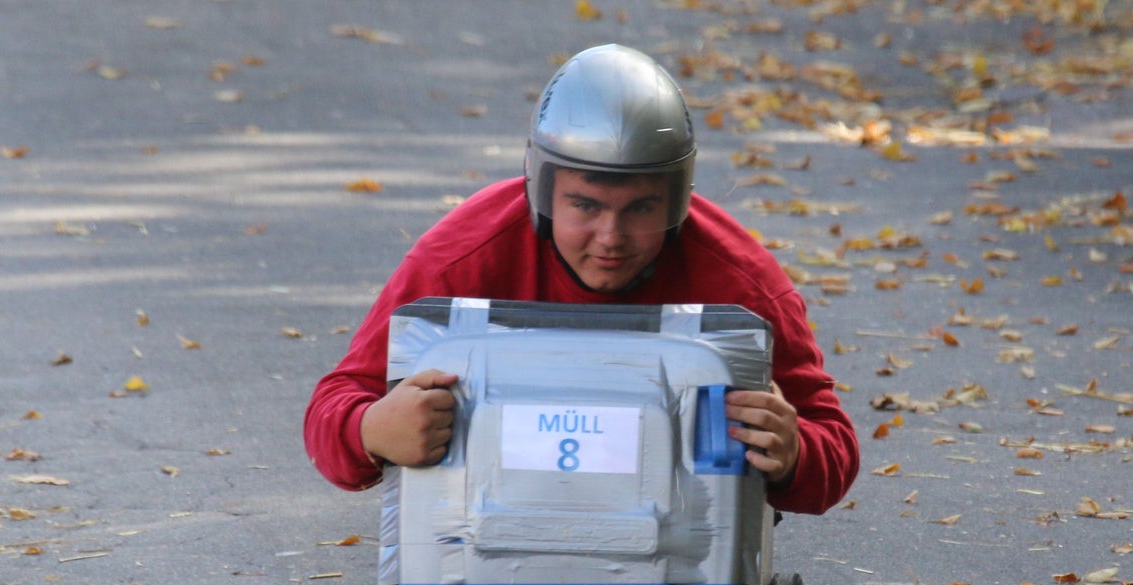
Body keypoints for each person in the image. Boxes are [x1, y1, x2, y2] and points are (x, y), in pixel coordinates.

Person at [304, 43, 858, 515]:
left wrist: (795, 452)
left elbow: (834, 446)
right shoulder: (460, 261)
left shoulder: (743, 288)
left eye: (640, 209)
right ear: (542, 192)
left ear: (677, 199)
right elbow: (336, 402)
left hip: (678, 545)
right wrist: (371, 429)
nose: (611, 237)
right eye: (585, 206)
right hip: (484, 532)